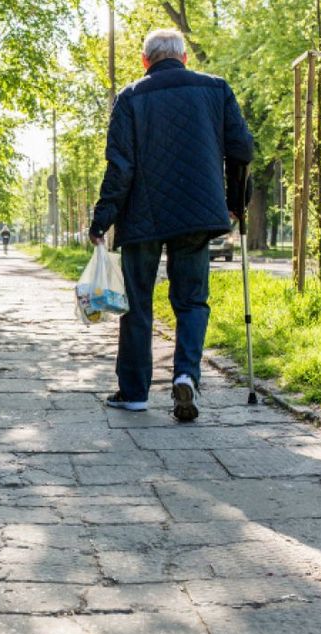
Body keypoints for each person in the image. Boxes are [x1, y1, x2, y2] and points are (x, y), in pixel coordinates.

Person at [88, 28, 253, 422]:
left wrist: (102, 219)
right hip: (197, 214)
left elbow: (121, 166)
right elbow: (242, 148)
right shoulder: (217, 90)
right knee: (192, 301)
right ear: (184, 58)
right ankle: (185, 375)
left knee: (137, 303)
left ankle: (133, 392)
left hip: (142, 217)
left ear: (145, 61)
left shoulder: (130, 97)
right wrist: (235, 202)